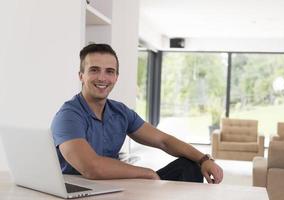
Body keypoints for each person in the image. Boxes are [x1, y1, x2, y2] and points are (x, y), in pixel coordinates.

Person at [51, 43, 223, 184]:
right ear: (81, 76)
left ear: (116, 77)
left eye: (109, 71)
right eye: (94, 70)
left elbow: (164, 141)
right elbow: (92, 167)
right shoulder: (69, 115)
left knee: (190, 165)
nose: (102, 78)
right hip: (81, 190)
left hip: (116, 186)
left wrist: (204, 159)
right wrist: (147, 173)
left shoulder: (120, 112)